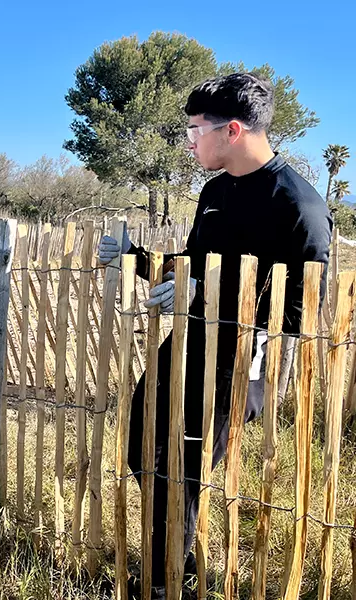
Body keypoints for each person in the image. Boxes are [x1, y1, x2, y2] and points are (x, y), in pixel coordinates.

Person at [98, 73, 332, 598]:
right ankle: (172, 562)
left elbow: (300, 312)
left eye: (193, 129)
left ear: (231, 130)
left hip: (241, 363)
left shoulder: (299, 206)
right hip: (189, 343)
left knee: (177, 467)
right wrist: (136, 258)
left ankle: (162, 585)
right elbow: (193, 267)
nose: (188, 141)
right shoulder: (215, 189)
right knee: (142, 447)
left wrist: (206, 294)